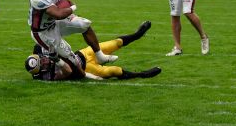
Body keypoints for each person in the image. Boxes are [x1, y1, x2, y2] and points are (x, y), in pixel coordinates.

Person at [25, 21, 161, 81]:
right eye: (41, 64)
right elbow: (68, 71)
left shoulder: (38, 53)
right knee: (114, 71)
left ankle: (138, 34)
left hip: (82, 54)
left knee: (115, 43)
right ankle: (142, 75)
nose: (43, 61)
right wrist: (57, 61)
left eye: (40, 60)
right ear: (39, 71)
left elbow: (40, 39)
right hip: (85, 70)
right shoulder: (46, 76)